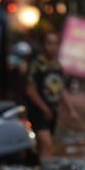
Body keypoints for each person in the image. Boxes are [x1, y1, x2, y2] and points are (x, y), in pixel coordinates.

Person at [24, 30, 79, 160]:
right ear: (43, 45)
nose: (52, 47)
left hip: (53, 112)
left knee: (43, 145)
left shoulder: (57, 66)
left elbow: (61, 89)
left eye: (55, 43)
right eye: (49, 43)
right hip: (38, 111)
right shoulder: (36, 65)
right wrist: (44, 108)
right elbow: (30, 90)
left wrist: (71, 111)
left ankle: (38, 168)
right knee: (47, 143)